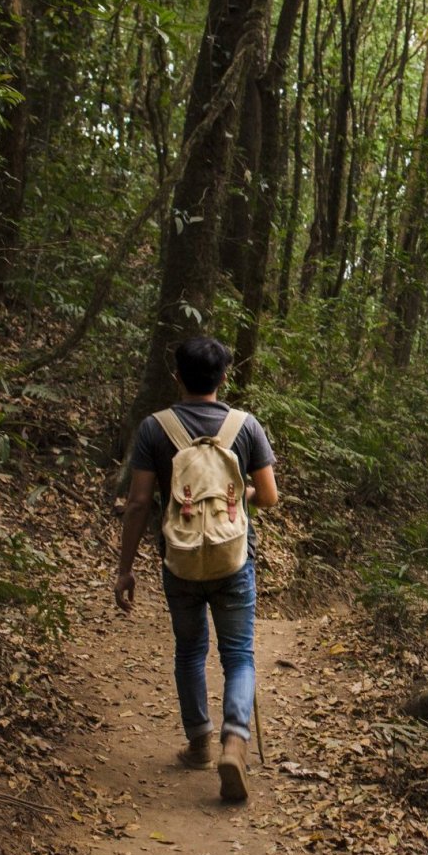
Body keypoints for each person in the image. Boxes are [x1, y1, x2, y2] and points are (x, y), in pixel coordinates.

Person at [113, 336, 279, 802]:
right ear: (224, 377)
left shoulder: (154, 428)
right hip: (234, 560)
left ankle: (199, 742)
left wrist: (125, 570)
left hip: (179, 560)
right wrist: (235, 496)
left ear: (177, 376)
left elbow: (141, 502)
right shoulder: (245, 427)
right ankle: (234, 743)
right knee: (239, 656)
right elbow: (268, 496)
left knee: (189, 650)